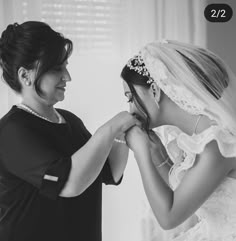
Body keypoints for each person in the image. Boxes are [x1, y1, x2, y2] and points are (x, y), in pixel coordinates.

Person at [0, 21, 140, 241]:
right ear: (25, 76)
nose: (67, 77)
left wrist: (122, 132)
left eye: (65, 66)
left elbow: (110, 171)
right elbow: (70, 183)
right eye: (57, 68)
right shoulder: (11, 133)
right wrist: (111, 128)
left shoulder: (70, 121)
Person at [121, 40, 236, 240]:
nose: (130, 109)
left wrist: (141, 152)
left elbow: (169, 217)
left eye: (131, 97)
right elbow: (183, 196)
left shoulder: (216, 144)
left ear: (155, 91)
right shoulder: (198, 138)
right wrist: (156, 153)